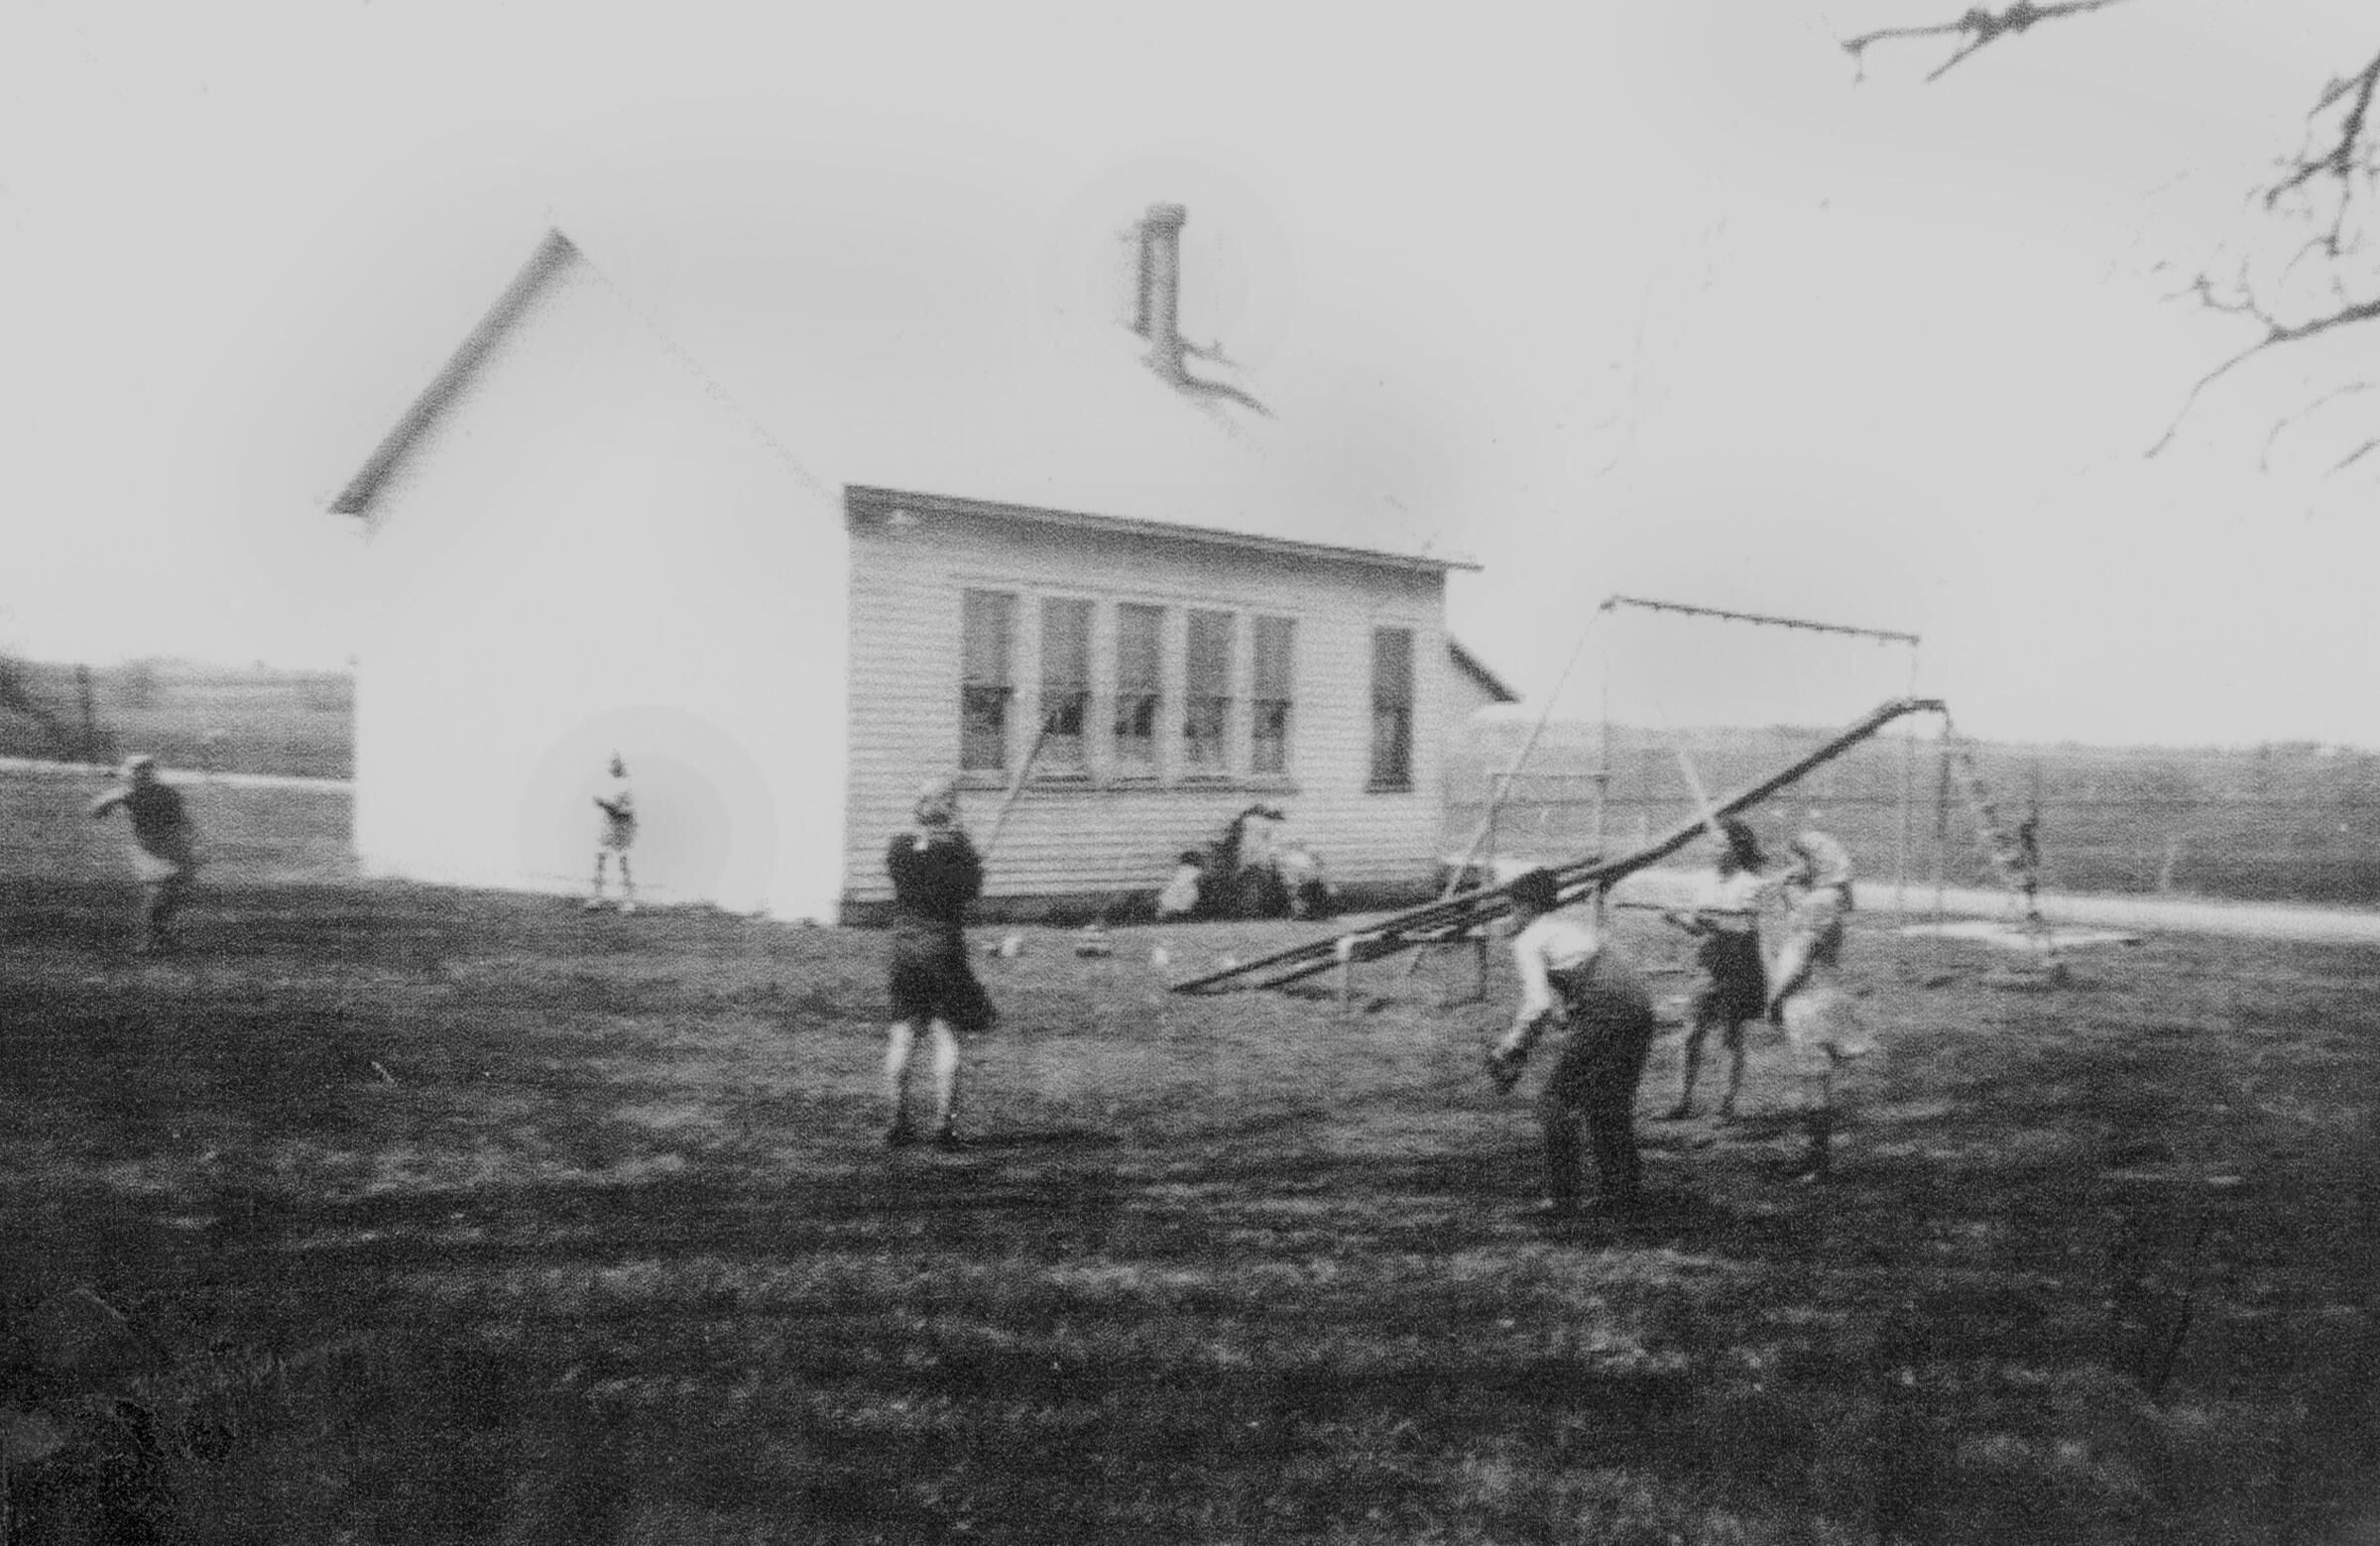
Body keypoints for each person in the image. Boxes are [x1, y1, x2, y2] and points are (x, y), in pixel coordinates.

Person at [1485, 867, 1657, 1221]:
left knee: (1555, 1102)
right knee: (1608, 1103)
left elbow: (1538, 1005)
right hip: (1639, 1008)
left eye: (1513, 907)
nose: (1510, 915)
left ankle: (1562, 1198)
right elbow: (1580, 987)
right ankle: (1621, 1195)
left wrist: (1509, 1048)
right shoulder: (1567, 928)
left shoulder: (1530, 939)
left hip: (1609, 1011)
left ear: (1528, 906)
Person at [883, 776, 997, 1148]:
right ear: (950, 809)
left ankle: (897, 1124)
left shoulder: (899, 848)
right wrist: (965, 846)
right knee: (946, 1036)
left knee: (903, 1035)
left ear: (919, 808)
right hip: (942, 949)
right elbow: (971, 890)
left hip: (905, 950)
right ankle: (944, 1128)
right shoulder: (958, 852)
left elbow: (917, 866)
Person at [1766, 822, 1874, 1181]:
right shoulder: (1826, 899)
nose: (1790, 867)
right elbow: (1800, 918)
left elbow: (1800, 959)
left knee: (1814, 1081)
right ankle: (1815, 1158)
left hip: (1808, 997)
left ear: (1813, 862)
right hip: (1820, 993)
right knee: (1815, 1079)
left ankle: (1818, 1162)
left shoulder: (1819, 903)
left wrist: (1775, 999)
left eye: (1796, 860)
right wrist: (1789, 890)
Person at [1660, 816, 1771, 1122]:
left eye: (1720, 845)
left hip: (1738, 971)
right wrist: (1678, 920)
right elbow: (1698, 928)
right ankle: (1682, 1100)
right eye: (1712, 845)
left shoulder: (1752, 885)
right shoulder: (1705, 882)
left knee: (1730, 1037)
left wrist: (1718, 924)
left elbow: (1749, 929)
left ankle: (1725, 1105)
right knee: (1691, 1033)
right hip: (1707, 969)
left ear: (1736, 849)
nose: (1714, 851)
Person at [87, 755, 198, 953]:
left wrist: (191, 842)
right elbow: (96, 810)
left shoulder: (162, 793)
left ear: (151, 774)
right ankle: (153, 938)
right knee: (161, 892)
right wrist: (113, 799)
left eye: (145, 772)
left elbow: (184, 820)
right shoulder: (128, 793)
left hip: (170, 847)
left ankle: (159, 935)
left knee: (173, 890)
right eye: (138, 772)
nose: (142, 776)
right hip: (149, 849)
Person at [586, 754, 637, 912]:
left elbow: (627, 811)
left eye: (615, 763)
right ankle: (596, 898)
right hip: (607, 829)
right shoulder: (606, 783)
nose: (612, 766)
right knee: (600, 861)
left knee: (623, 863)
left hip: (620, 830)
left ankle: (628, 901)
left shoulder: (627, 785)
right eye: (611, 763)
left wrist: (608, 806)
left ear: (620, 765)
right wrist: (605, 805)